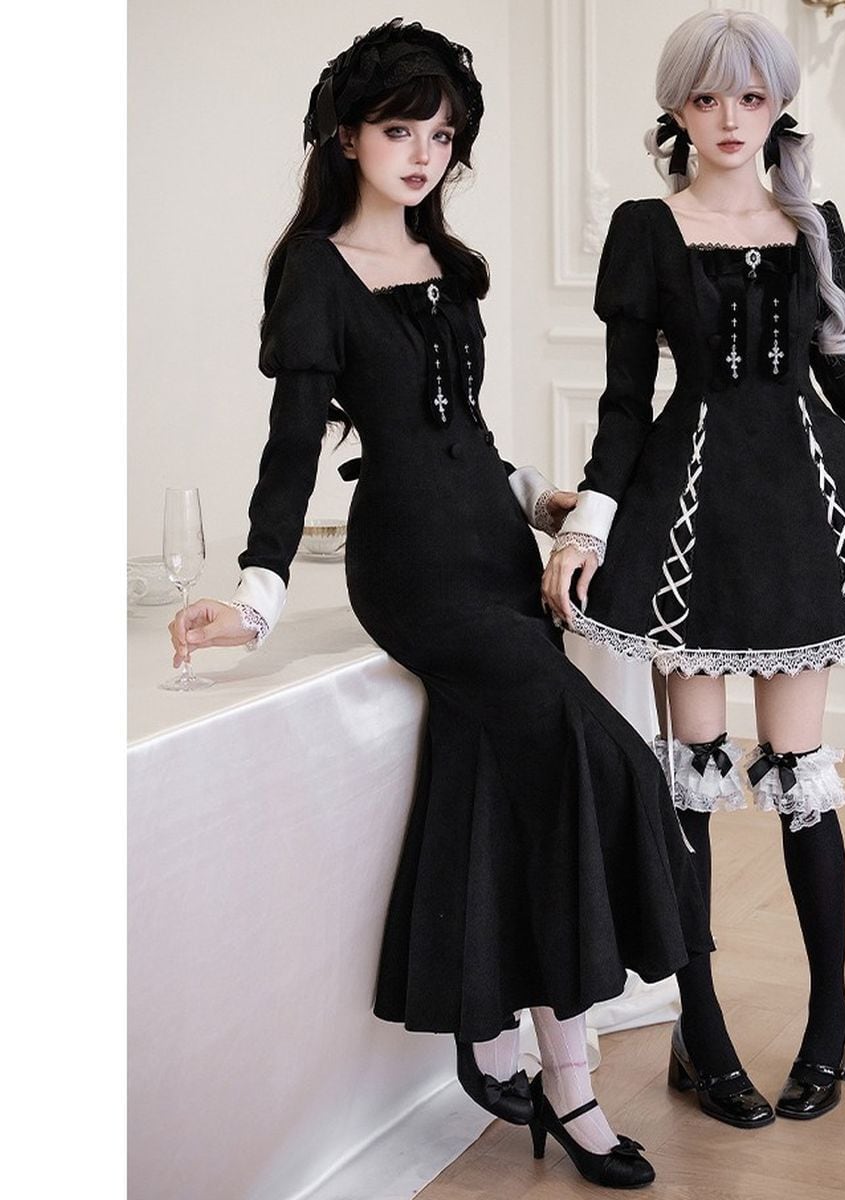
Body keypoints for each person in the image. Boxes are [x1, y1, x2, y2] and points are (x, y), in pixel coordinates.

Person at [167, 18, 727, 1187]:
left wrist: (543, 502)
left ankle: (519, 1053)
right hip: (415, 570)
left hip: (495, 549)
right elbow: (291, 453)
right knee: (606, 765)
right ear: (347, 137)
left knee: (517, 795)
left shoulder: (446, 263)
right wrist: (256, 598)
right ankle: (556, 1078)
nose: (424, 154)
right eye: (399, 131)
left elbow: (463, 429)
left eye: (441, 135)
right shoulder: (314, 270)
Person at [542, 8, 845, 1125]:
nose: (728, 119)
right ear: (677, 108)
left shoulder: (815, 227)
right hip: (687, 531)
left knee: (801, 782)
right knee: (692, 789)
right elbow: (623, 407)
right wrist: (588, 528)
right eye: (706, 98)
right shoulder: (644, 231)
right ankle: (698, 1032)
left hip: (805, 524)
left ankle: (829, 1020)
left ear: (779, 106)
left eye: (750, 98)